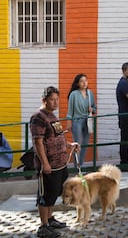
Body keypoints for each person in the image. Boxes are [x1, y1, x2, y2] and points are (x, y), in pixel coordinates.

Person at [30, 86, 79, 238]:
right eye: (52, 99)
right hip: (49, 164)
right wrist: (45, 163)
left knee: (54, 193)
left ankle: (50, 219)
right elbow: (38, 142)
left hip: (61, 164)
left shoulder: (53, 116)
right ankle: (43, 226)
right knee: (45, 195)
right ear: (44, 100)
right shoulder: (38, 117)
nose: (55, 102)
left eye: (57, 99)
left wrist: (70, 145)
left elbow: (59, 137)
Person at [66, 74, 96, 167]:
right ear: (78, 83)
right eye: (82, 81)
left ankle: (81, 165)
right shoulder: (73, 94)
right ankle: (77, 167)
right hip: (77, 121)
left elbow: (94, 107)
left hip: (87, 121)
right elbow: (70, 110)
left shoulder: (90, 93)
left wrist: (93, 109)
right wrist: (69, 122)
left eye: (86, 80)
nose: (84, 83)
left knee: (85, 144)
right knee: (77, 144)